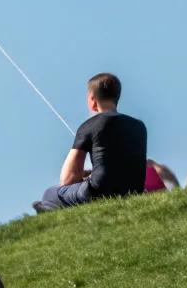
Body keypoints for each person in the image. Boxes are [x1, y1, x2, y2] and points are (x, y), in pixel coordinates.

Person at [33, 72, 147, 211]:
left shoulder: (89, 126)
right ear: (117, 97)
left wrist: (86, 178)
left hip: (98, 193)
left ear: (92, 100)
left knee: (51, 193)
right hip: (133, 192)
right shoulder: (139, 126)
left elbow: (68, 179)